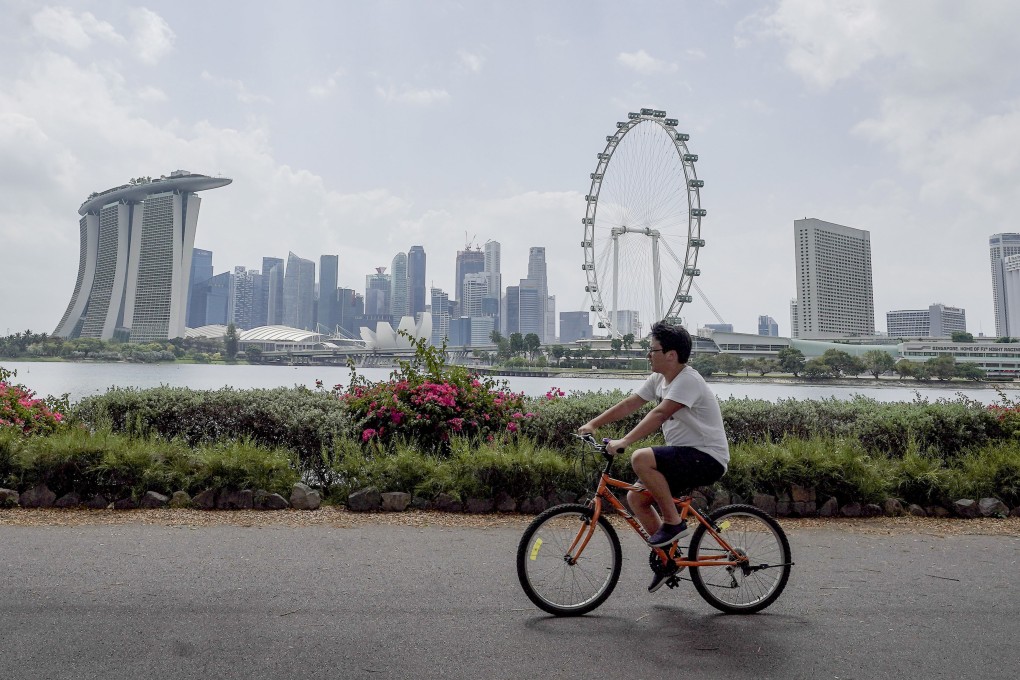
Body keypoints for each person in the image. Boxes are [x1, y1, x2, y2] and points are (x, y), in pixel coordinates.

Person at [577, 321, 729, 592]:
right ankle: (669, 559)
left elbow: (659, 413)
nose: (648, 355)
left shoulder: (688, 381)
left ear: (671, 355)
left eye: (652, 350)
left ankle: (673, 522)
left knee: (641, 458)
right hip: (685, 456)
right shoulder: (659, 378)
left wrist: (624, 442)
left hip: (706, 458)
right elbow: (630, 404)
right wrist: (593, 424)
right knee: (636, 497)